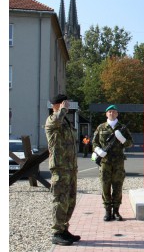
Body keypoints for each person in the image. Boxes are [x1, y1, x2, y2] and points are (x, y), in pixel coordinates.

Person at [45, 94, 81, 246]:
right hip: (60, 169)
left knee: (70, 201)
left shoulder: (65, 122)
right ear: (56, 105)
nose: (66, 105)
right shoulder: (52, 120)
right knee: (60, 200)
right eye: (64, 103)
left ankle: (64, 228)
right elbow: (56, 120)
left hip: (70, 169)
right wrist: (62, 110)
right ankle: (57, 232)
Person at [92, 105, 133, 221]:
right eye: (109, 112)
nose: (111, 113)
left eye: (114, 112)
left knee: (118, 187)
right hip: (105, 162)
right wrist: (99, 151)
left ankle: (116, 211)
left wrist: (123, 140)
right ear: (106, 114)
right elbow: (94, 143)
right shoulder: (101, 127)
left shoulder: (122, 128)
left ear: (117, 114)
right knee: (105, 186)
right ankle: (107, 211)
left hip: (118, 162)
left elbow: (130, 143)